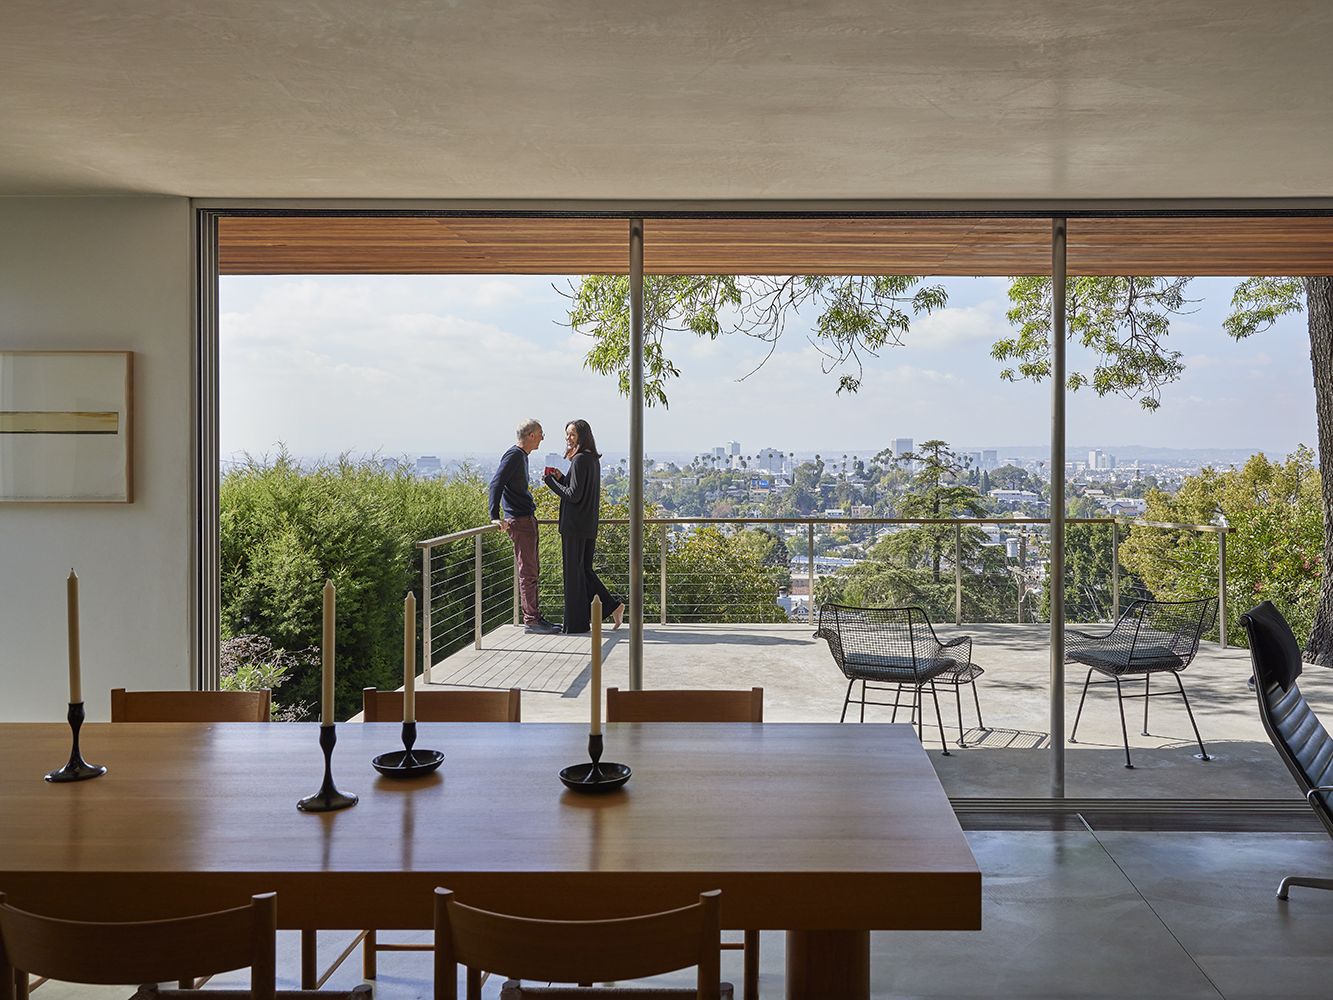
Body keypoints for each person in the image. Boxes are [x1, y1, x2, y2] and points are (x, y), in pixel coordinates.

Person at [543, 419, 625, 634]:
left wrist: (550, 483)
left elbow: (573, 495)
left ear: (582, 435)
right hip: (587, 524)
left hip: (574, 526)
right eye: (567, 435)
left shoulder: (579, 460)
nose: (568, 439)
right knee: (583, 571)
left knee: (573, 575)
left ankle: (576, 624)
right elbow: (577, 489)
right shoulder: (591, 459)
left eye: (572, 435)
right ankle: (611, 606)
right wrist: (562, 478)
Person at [489, 418, 559, 635]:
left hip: (525, 519)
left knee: (532, 570)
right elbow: (496, 483)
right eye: (541, 434)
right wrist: (494, 516)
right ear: (531, 435)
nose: (542, 438)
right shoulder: (514, 455)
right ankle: (531, 620)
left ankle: (535, 617)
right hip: (519, 521)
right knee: (528, 571)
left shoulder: (521, 457)